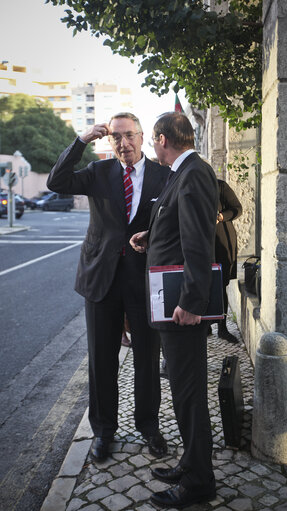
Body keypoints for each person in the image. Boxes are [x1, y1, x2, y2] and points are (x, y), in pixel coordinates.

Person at [47, 112, 169, 461]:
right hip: (101, 280)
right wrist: (82, 140)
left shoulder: (163, 176)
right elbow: (57, 181)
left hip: (144, 282)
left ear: (142, 137)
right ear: (109, 140)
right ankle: (103, 431)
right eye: (115, 137)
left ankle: (149, 426)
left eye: (129, 135)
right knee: (102, 361)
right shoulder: (99, 172)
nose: (122, 142)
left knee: (147, 357)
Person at [130, 112, 218, 509]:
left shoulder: (194, 172)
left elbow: (200, 241)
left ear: (164, 139)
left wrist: (191, 301)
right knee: (184, 392)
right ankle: (190, 462)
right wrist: (154, 234)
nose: (151, 147)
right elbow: (181, 226)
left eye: (152, 140)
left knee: (188, 395)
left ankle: (199, 482)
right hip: (172, 302)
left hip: (181, 306)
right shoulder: (182, 172)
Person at [213, 179, 242, 341]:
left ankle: (222, 328)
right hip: (198, 242)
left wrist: (222, 216)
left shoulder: (220, 186)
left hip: (221, 239)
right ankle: (205, 326)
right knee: (200, 284)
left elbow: (237, 209)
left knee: (219, 284)